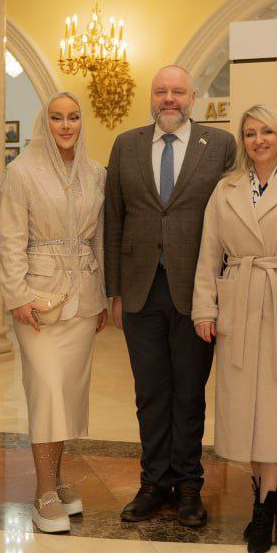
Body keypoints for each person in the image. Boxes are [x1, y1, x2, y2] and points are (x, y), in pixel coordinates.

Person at [192, 105, 277, 553]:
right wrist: (204, 309)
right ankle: (260, 492)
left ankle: (266, 504)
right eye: (250, 133)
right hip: (238, 301)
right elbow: (208, 253)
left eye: (267, 131)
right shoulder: (226, 188)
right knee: (243, 409)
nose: (259, 140)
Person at [104, 65, 237, 526]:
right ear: (152, 96)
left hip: (196, 292)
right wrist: (114, 291)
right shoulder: (126, 145)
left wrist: (223, 293)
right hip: (139, 293)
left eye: (177, 91)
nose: (169, 99)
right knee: (150, 393)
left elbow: (231, 220)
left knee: (189, 393)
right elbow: (113, 219)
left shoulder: (219, 145)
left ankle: (189, 487)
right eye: (161, 91)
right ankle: (152, 483)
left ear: (193, 97)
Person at [0, 92, 108, 534]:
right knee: (46, 391)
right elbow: (10, 240)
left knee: (66, 394)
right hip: (38, 301)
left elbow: (99, 239)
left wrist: (102, 297)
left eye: (74, 117)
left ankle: (57, 479)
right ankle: (44, 492)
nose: (66, 125)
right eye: (57, 118)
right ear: (45, 123)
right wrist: (17, 295)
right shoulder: (21, 172)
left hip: (84, 297)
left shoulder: (96, 173)